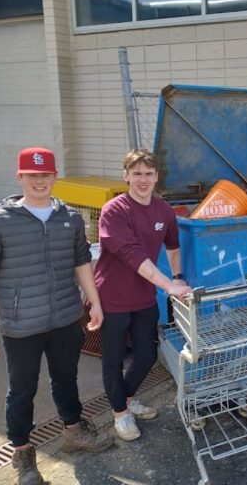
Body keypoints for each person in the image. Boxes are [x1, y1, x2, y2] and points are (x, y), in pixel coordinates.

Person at [0, 147, 113, 485]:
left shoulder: (70, 218)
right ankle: (22, 456)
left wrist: (94, 301)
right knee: (22, 390)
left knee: (66, 379)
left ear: (54, 177)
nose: (39, 181)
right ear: (20, 176)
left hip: (65, 317)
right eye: (32, 175)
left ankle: (73, 432)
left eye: (46, 175)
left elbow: (82, 262)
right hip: (21, 325)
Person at [95, 149, 191, 442]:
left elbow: (173, 245)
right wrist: (168, 285)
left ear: (157, 177)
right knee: (112, 360)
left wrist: (176, 277)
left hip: (144, 296)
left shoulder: (163, 210)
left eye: (148, 174)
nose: (143, 180)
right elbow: (132, 255)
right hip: (112, 297)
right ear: (125, 176)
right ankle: (120, 414)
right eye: (136, 173)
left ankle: (127, 398)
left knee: (147, 355)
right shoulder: (114, 210)